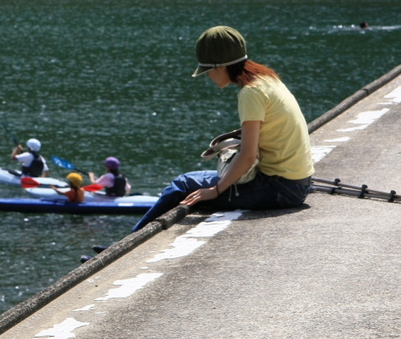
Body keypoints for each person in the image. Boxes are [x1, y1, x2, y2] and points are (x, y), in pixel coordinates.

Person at [132, 25, 314, 232]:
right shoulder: (268, 79)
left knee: (182, 184)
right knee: (192, 182)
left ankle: (125, 244)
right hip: (298, 183)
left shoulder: (251, 93)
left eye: (207, 70)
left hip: (278, 189)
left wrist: (216, 190)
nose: (208, 76)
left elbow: (247, 156)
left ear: (220, 67)